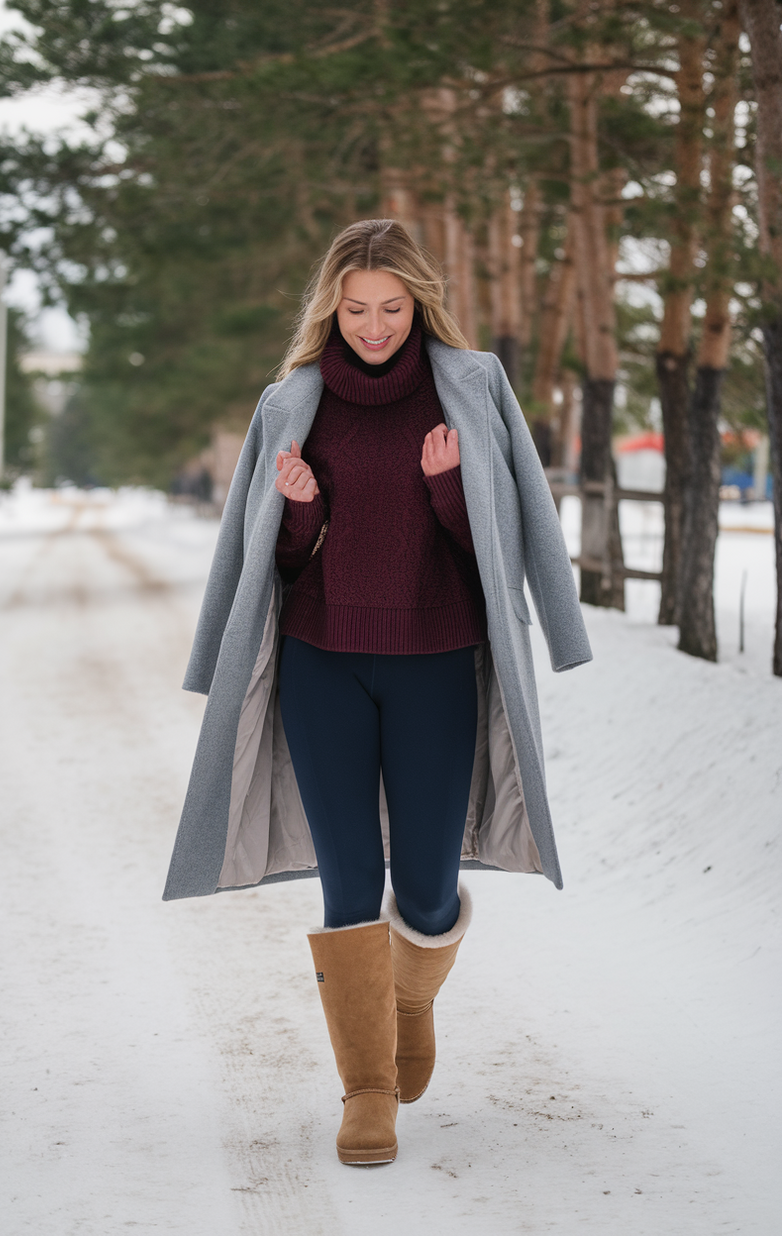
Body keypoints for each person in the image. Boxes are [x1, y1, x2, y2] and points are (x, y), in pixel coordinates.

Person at [163, 219, 592, 1168]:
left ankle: (406, 1001)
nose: (372, 325)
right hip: (322, 663)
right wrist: (302, 506)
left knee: (429, 889)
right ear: (332, 306)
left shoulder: (472, 386)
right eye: (355, 309)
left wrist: (447, 491)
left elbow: (505, 543)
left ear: (419, 302)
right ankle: (367, 1091)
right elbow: (266, 555)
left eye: (391, 308)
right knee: (349, 879)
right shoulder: (291, 401)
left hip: (438, 662)